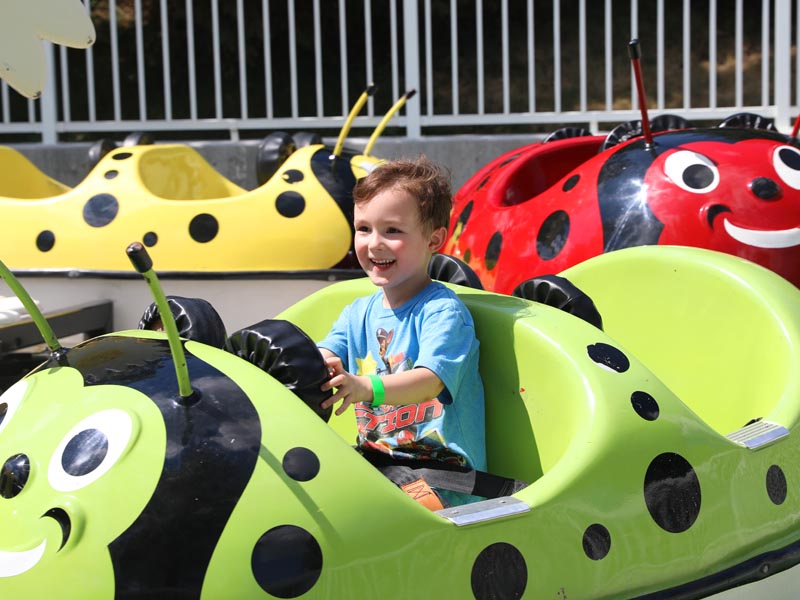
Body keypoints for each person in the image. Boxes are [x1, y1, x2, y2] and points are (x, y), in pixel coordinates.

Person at [317, 155, 486, 510]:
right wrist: (309, 366)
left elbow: (429, 381)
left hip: (443, 477)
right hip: (377, 465)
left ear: (433, 239)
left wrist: (365, 387)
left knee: (380, 515)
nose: (374, 243)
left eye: (392, 230)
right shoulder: (357, 313)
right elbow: (327, 354)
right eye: (364, 229)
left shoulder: (442, 311)